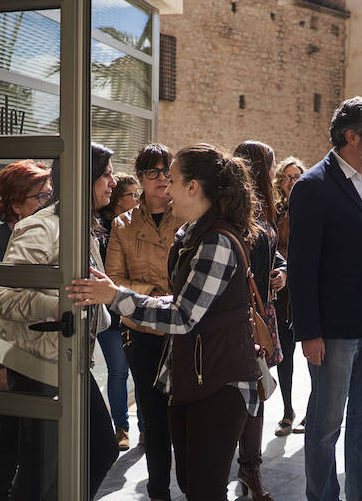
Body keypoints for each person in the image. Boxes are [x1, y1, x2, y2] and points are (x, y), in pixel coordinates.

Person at [68, 143, 262, 500]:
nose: (165, 188)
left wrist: (116, 296)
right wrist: (124, 293)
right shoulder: (193, 233)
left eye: (171, 180)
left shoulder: (216, 240)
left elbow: (184, 315)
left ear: (193, 187)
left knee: (204, 489)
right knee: (192, 484)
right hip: (193, 377)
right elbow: (180, 301)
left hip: (218, 382)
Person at [0, 143, 120, 501]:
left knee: (97, 452)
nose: (113, 182)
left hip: (67, 362)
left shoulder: (81, 225)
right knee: (38, 476)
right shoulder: (42, 228)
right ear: (85, 179)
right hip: (37, 369)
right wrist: (63, 305)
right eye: (106, 174)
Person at [288, 96, 362, 501]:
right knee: (326, 423)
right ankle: (323, 495)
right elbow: (301, 268)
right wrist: (309, 333)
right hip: (332, 333)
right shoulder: (312, 187)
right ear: (352, 137)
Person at [0, 159, 51, 501]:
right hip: (8, 360)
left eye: (51, 194)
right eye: (40, 197)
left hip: (39, 357)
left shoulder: (46, 235)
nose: (48, 203)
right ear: (15, 204)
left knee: (37, 438)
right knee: (12, 435)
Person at [105, 143, 181, 501]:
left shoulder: (186, 217)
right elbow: (113, 280)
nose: (162, 179)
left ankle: (195, 485)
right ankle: (158, 490)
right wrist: (152, 292)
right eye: (153, 172)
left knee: (184, 414)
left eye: (167, 171)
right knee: (151, 416)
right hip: (141, 333)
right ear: (140, 178)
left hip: (182, 331)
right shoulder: (122, 225)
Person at [233, 140, 287, 501]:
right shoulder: (237, 213)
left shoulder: (261, 211)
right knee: (251, 393)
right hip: (243, 317)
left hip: (262, 310)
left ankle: (248, 466)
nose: (273, 173)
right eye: (269, 166)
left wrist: (282, 269)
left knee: (258, 392)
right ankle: (248, 467)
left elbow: (274, 252)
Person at [96, 172, 142, 450]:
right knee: (118, 371)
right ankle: (121, 428)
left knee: (140, 370)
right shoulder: (99, 229)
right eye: (132, 195)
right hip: (110, 313)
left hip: (136, 307)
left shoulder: (139, 226)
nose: (137, 200)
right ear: (117, 199)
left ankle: (147, 426)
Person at [271, 156, 307, 437]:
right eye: (287, 176)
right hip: (282, 294)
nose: (291, 181)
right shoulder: (276, 212)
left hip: (307, 288)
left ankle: (313, 409)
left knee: (315, 354)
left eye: (296, 176)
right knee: (285, 354)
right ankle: (287, 411)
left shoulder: (311, 208)